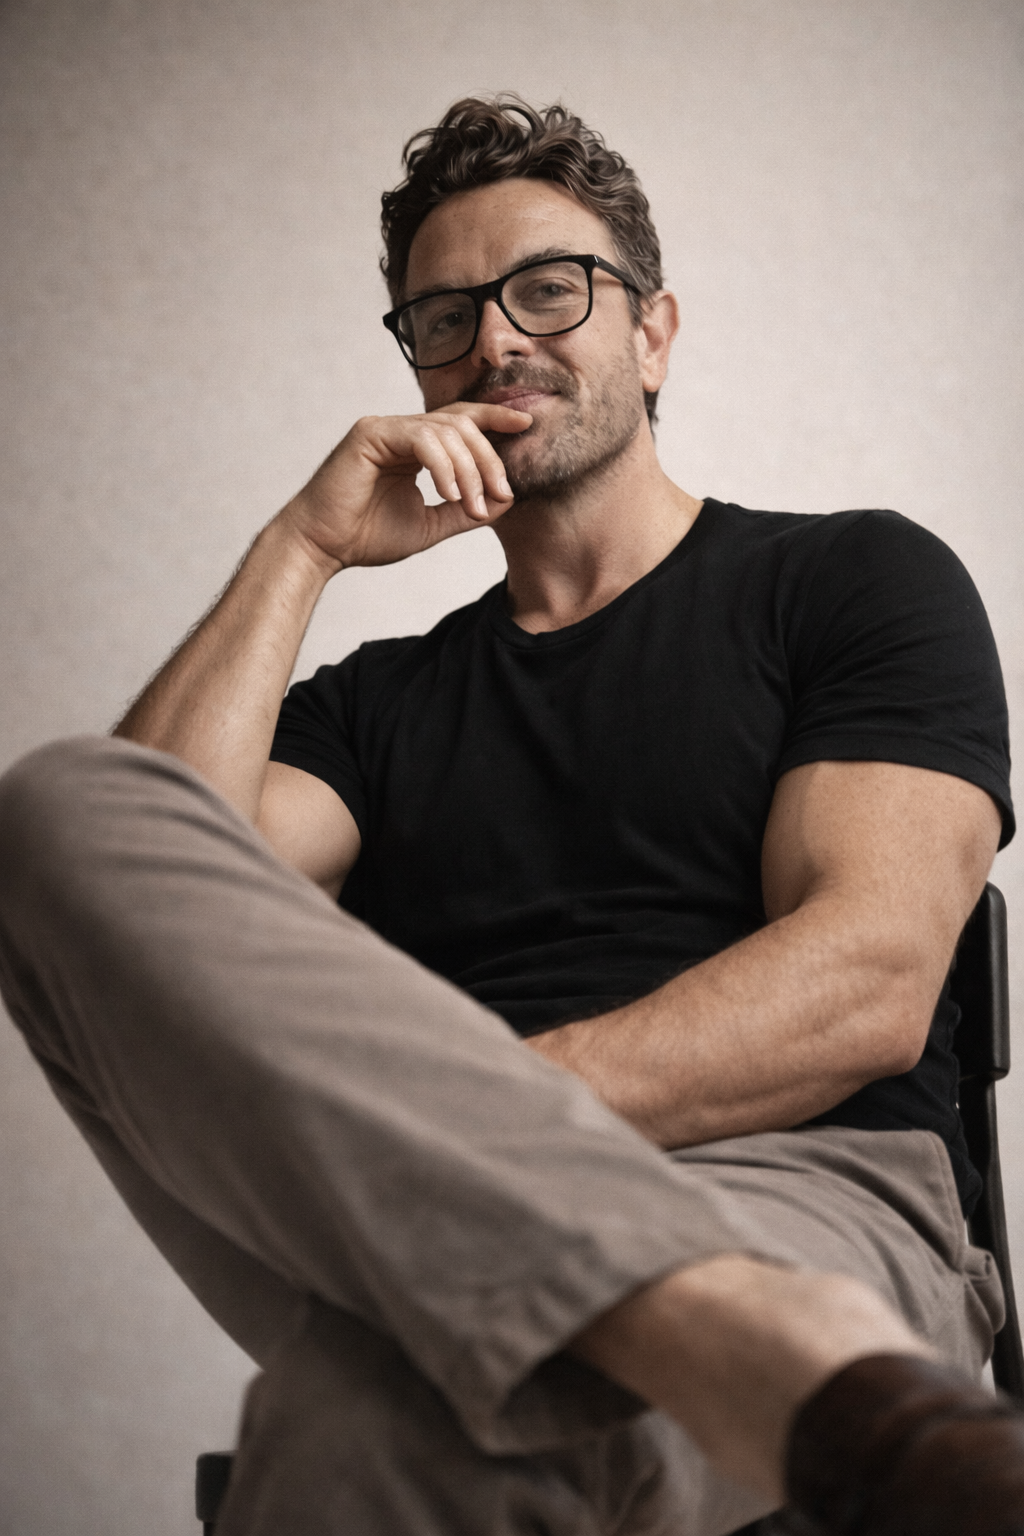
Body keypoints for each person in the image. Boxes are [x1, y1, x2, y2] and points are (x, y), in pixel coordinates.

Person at [1, 96, 1022, 1536]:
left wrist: (461, 1137)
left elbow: (868, 986)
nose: (494, 341)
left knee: (362, 1418)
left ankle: (663, 1305)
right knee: (59, 807)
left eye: (549, 288)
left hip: (808, 1185)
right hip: (411, 1233)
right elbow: (126, 919)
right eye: (445, 317)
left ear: (654, 333)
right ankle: (748, 1347)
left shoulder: (854, 583)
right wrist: (302, 548)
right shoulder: (370, 708)